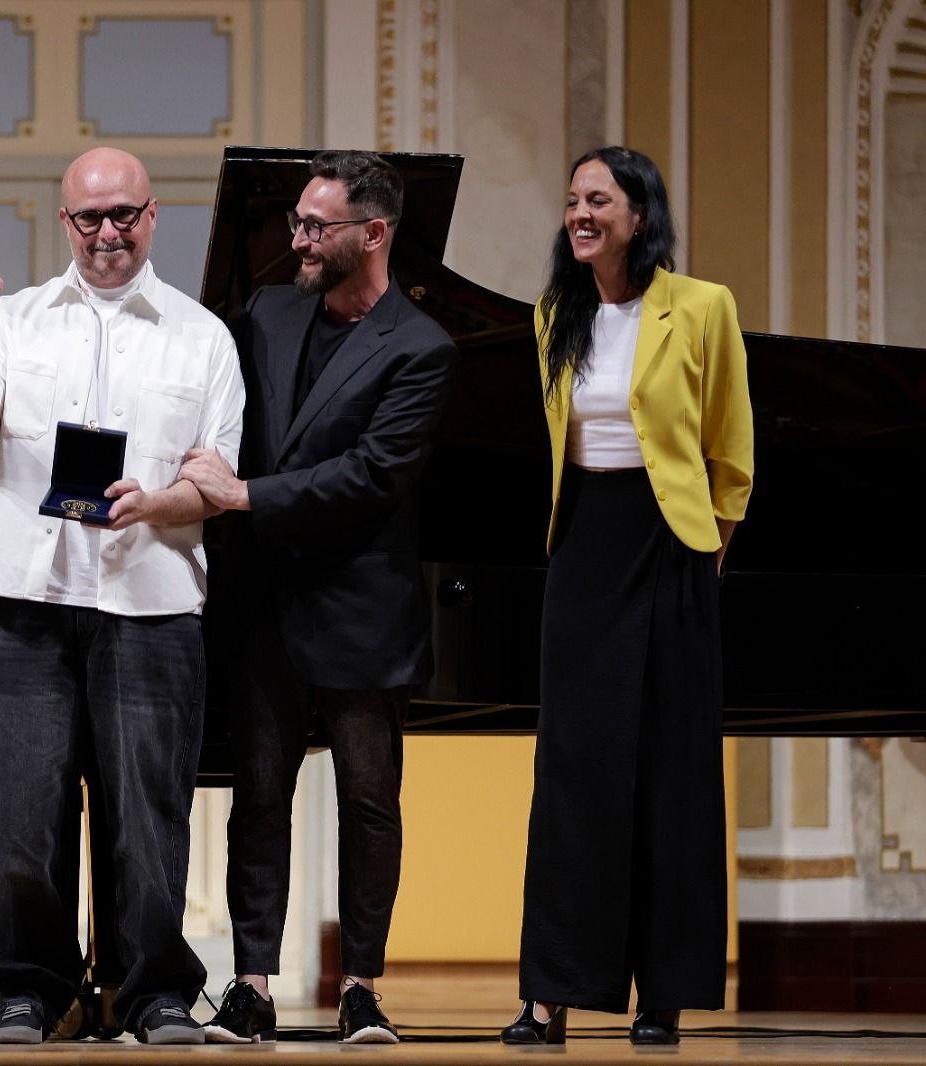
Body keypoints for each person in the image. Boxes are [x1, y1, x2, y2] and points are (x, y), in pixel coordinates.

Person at [0, 147, 244, 1046]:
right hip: (28, 606)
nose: (106, 233)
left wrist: (158, 504)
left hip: (151, 602)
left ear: (153, 218)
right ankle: (32, 990)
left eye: (123, 215)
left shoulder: (203, 338)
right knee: (24, 815)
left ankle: (151, 994)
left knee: (149, 818)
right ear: (65, 220)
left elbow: (215, 481)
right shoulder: (15, 321)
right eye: (88, 218)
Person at [179, 150, 456, 1044]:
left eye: (314, 226)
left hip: (360, 607)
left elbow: (373, 477)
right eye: (297, 220)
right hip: (264, 603)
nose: (296, 238)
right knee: (259, 797)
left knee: (370, 803)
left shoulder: (422, 348)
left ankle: (362, 986)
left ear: (372, 234)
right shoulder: (267, 312)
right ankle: (251, 982)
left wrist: (247, 496)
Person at [499, 146, 753, 1047]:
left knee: (673, 775)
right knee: (572, 775)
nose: (579, 213)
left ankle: (664, 996)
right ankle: (550, 994)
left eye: (597, 199)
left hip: (674, 547)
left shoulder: (703, 308)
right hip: (583, 553)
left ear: (639, 214)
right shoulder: (550, 317)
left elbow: (732, 450)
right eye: (571, 199)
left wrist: (708, 552)